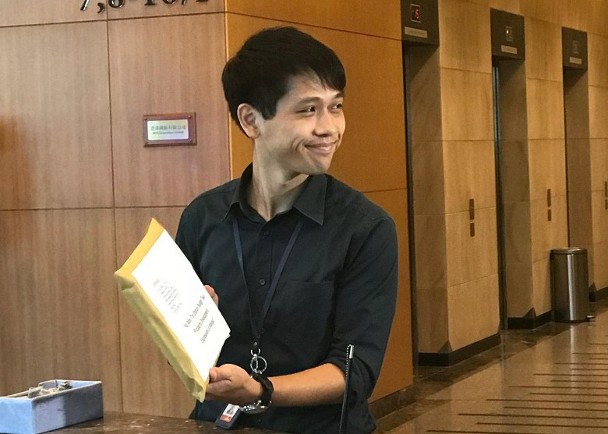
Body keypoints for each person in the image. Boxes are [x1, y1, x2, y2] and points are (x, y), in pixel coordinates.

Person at [175, 26, 397, 434]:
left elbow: (355, 371)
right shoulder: (202, 218)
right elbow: (183, 351)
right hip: (217, 424)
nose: (329, 128)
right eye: (308, 110)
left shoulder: (365, 229)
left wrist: (261, 390)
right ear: (251, 120)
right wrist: (189, 326)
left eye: (336, 106)